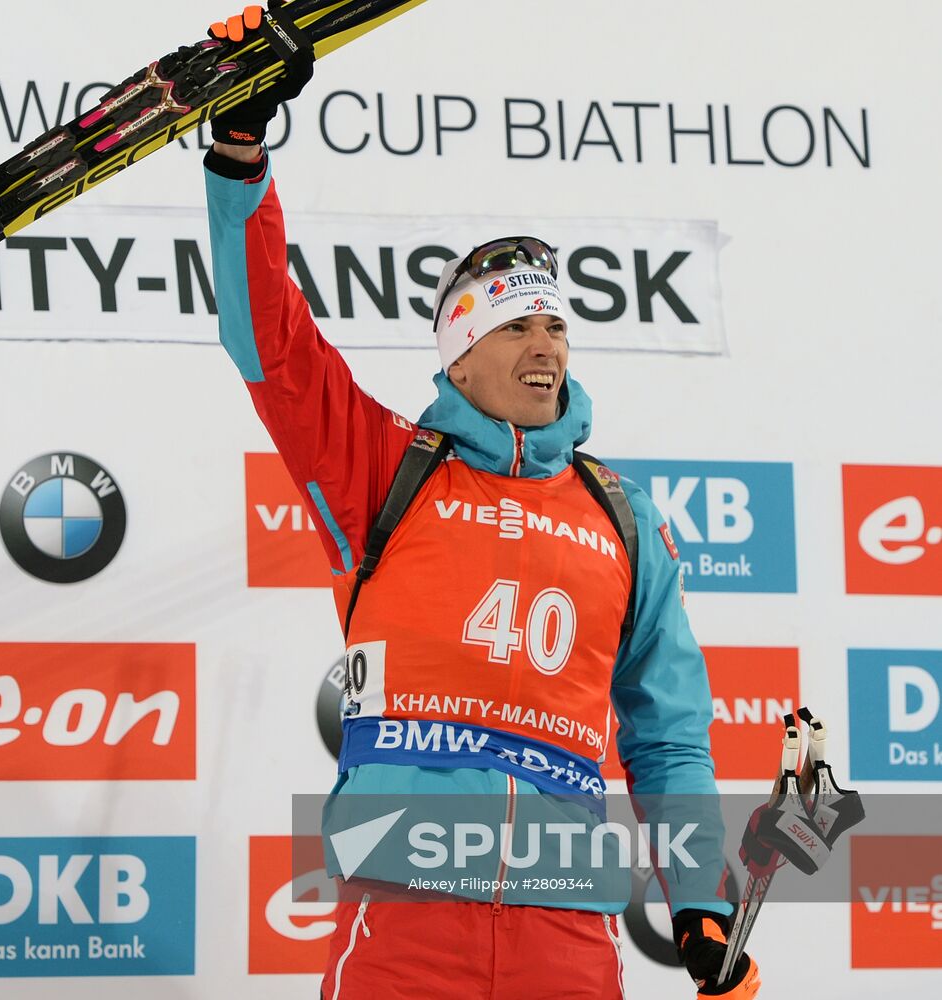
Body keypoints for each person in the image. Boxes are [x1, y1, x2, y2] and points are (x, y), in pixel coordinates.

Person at [202, 8, 761, 1000]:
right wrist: (239, 157)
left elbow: (666, 733)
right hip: (402, 912)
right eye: (513, 325)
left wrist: (700, 902)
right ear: (457, 352)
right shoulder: (384, 468)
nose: (544, 344)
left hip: (566, 924)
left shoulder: (622, 516)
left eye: (555, 324)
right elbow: (271, 344)